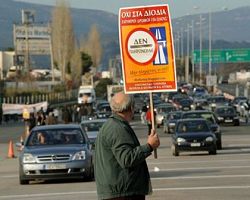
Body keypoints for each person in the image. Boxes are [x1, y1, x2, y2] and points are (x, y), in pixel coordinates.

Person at [94, 92, 160, 200]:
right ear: (130, 108)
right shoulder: (117, 128)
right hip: (123, 193)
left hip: (119, 191)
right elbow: (126, 159)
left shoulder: (113, 125)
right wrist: (149, 146)